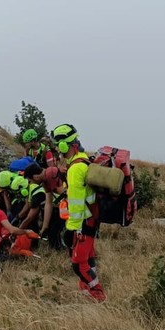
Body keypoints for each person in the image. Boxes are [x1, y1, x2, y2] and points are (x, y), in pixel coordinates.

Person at [51, 123, 106, 302]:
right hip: (91, 218)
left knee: (78, 264)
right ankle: (86, 294)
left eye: (58, 146)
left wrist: (71, 229)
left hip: (82, 222)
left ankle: (99, 296)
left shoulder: (75, 169)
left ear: (64, 145)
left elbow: (76, 204)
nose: (57, 150)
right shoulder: (82, 160)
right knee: (88, 259)